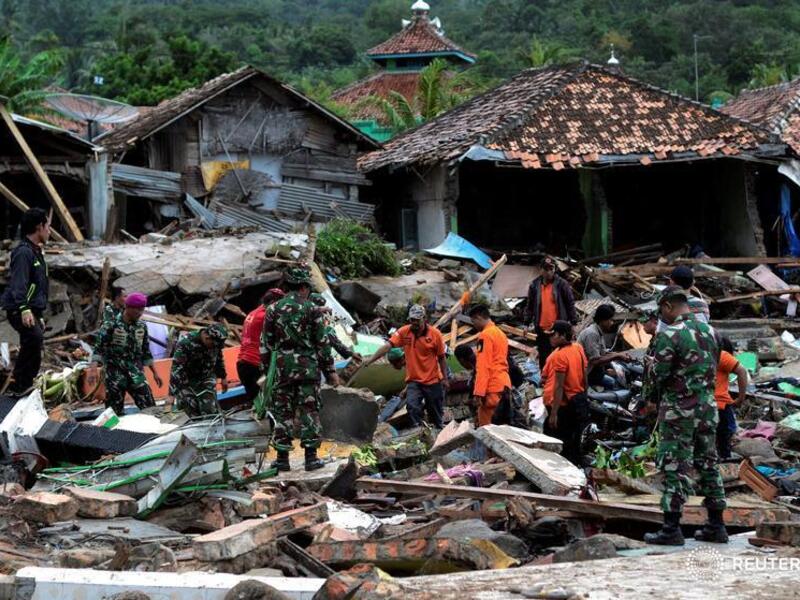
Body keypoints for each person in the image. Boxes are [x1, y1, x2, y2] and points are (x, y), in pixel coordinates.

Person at [644, 286, 727, 546]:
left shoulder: (670, 334)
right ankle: (716, 524)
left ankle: (671, 528)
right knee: (708, 464)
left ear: (668, 306)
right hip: (708, 409)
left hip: (679, 411)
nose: (661, 316)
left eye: (661, 311)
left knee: (674, 466)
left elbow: (659, 376)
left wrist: (649, 395)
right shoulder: (712, 333)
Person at [263, 267, 340, 472]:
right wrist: (330, 371)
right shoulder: (312, 309)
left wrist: (273, 364)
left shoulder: (272, 310)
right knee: (308, 411)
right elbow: (322, 343)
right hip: (308, 369)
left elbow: (268, 343)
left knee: (283, 412)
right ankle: (311, 458)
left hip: (282, 369)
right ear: (304, 287)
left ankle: (282, 459)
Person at [363, 304, 448, 429]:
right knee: (412, 406)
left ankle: (439, 431)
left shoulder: (435, 335)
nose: (413, 323)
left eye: (417, 320)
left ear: (424, 319)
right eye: (411, 320)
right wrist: (370, 360)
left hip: (432, 380)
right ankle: (418, 430)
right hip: (414, 381)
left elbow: (441, 357)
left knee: (435, 411)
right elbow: (387, 346)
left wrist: (445, 378)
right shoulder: (404, 332)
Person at [1, 208, 50, 396]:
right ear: (39, 227)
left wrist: (38, 314)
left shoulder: (36, 252)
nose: (49, 231)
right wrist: (24, 308)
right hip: (18, 307)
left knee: (35, 341)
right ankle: (20, 384)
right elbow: (18, 283)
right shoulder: (23, 252)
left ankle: (24, 384)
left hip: (30, 309)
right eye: (48, 226)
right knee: (33, 339)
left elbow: (37, 286)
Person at [94, 292, 162, 414]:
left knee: (151, 408)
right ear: (128, 307)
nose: (140, 313)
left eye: (142, 310)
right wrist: (94, 372)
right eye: (137, 310)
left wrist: (155, 373)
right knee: (114, 413)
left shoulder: (142, 326)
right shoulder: (111, 325)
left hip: (136, 374)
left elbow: (146, 351)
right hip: (115, 375)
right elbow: (99, 348)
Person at [541, 320, 589, 465]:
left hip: (562, 404)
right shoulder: (577, 348)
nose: (550, 338)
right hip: (577, 399)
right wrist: (585, 393)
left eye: (553, 335)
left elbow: (559, 386)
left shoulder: (559, 356)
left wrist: (554, 414)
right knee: (574, 437)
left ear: (562, 336)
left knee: (558, 440)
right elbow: (584, 373)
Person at [525, 257, 577, 370]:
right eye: (546, 269)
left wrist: (573, 323)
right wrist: (526, 323)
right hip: (542, 328)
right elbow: (530, 305)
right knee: (544, 357)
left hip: (558, 329)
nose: (548, 272)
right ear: (541, 270)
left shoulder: (562, 284)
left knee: (559, 357)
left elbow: (570, 303)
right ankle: (545, 380)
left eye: (551, 269)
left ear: (554, 270)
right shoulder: (535, 285)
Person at [170, 323, 229, 417]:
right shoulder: (186, 343)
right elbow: (176, 369)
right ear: (206, 337)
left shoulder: (215, 344)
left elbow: (218, 359)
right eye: (213, 345)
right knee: (190, 411)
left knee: (209, 409)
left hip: (206, 377)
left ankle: (213, 426)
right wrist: (171, 395)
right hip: (186, 380)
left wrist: (223, 377)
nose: (215, 347)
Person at [237, 288, 285, 403]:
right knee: (268, 402)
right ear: (273, 302)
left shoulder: (253, 313)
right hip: (256, 366)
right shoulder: (265, 316)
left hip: (244, 363)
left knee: (256, 402)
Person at [468, 304, 512, 426]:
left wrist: (478, 393)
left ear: (478, 317)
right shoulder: (500, 333)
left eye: (473, 321)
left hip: (491, 387)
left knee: (489, 431)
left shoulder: (485, 335)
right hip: (503, 384)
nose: (473, 325)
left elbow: (483, 366)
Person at [577, 304, 632, 388]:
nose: (612, 323)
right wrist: (616, 356)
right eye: (610, 320)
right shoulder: (592, 334)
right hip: (585, 374)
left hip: (594, 371)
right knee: (613, 383)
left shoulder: (599, 332)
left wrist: (618, 355)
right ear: (602, 320)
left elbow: (602, 352)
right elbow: (595, 360)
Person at [715, 338, 748, 460]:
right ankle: (724, 458)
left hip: (703, 402)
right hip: (720, 402)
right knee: (725, 432)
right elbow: (742, 371)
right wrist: (741, 398)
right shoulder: (722, 355)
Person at [309, 293, 363, 363]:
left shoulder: (301, 315)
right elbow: (334, 341)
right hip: (313, 359)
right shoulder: (321, 323)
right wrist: (351, 354)